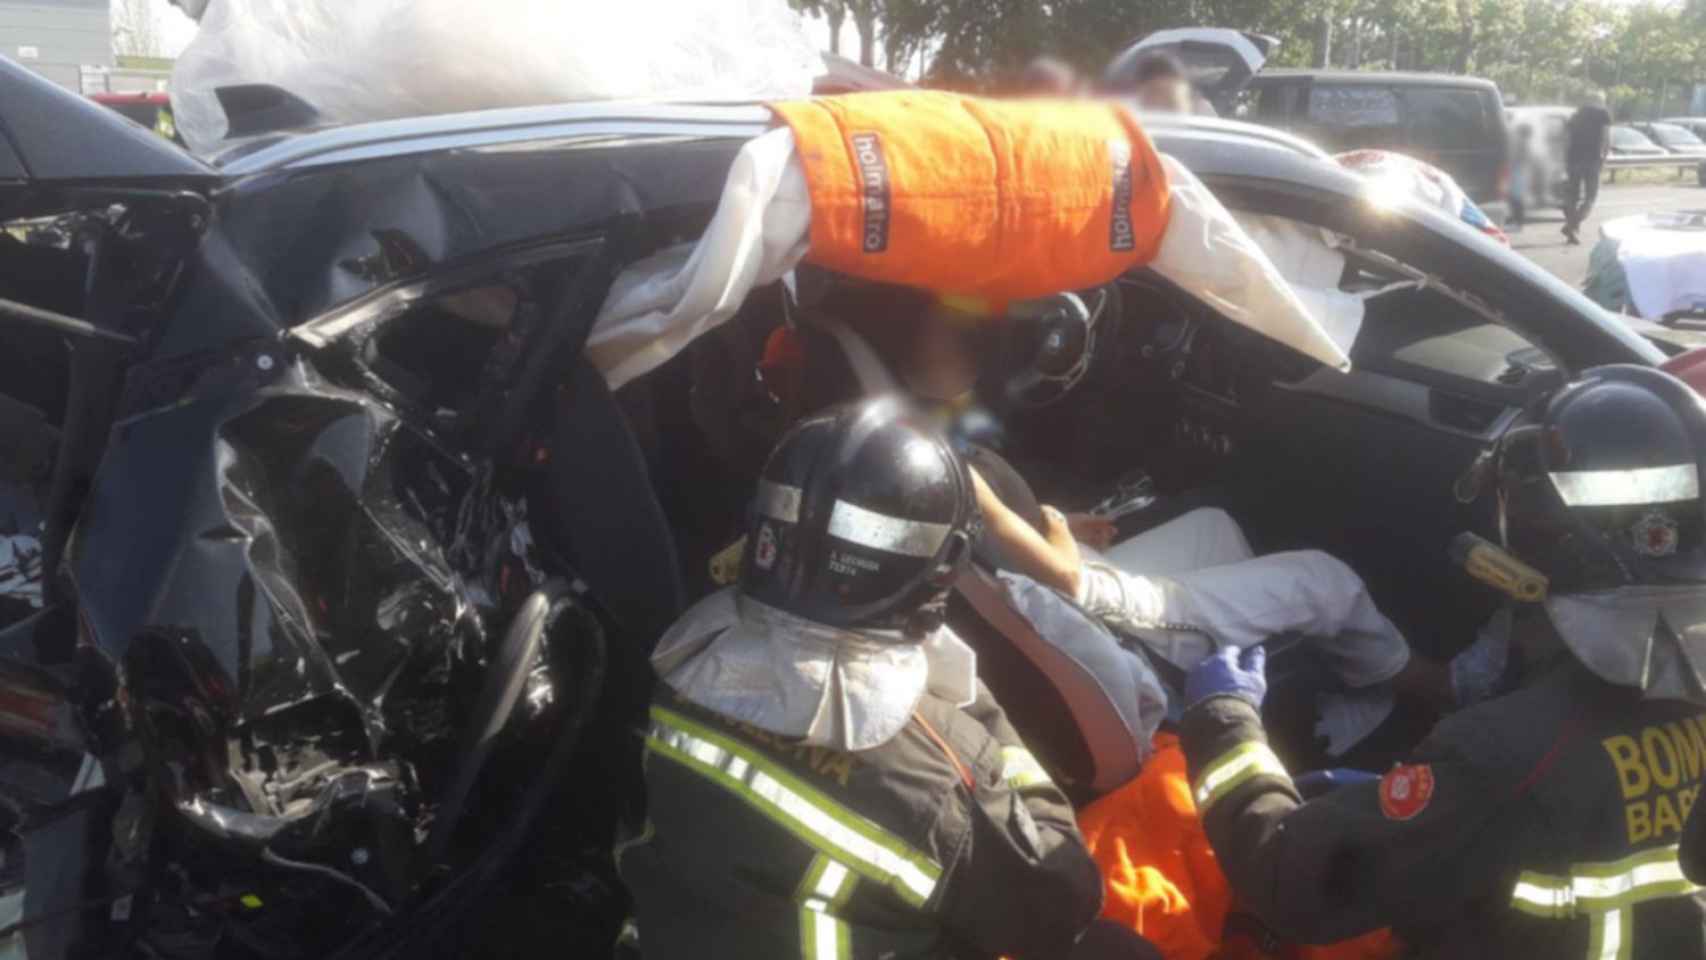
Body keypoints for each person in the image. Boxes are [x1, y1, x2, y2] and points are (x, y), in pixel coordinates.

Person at [1180, 364, 1706, 957]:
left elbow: (1291, 877)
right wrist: (1428, 810)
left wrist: (1223, 720)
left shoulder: (1499, 754)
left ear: (1534, 532)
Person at [619, 398, 1159, 960]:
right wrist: (977, 720)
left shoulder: (680, 672)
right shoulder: (941, 781)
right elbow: (1060, 902)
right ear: (940, 568)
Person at [1563, 92, 1612, 245]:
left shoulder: (1575, 115)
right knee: (1590, 197)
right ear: (1600, 101)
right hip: (1591, 161)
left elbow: (1566, 139)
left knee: (1573, 196)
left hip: (1573, 159)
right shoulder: (1603, 114)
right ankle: (1572, 225)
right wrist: (1604, 158)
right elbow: (1606, 137)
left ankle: (1571, 229)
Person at [1123, 53, 1201, 116]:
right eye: (1155, 106)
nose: (1163, 114)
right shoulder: (1120, 128)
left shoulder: (1206, 130)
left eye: (1171, 104)